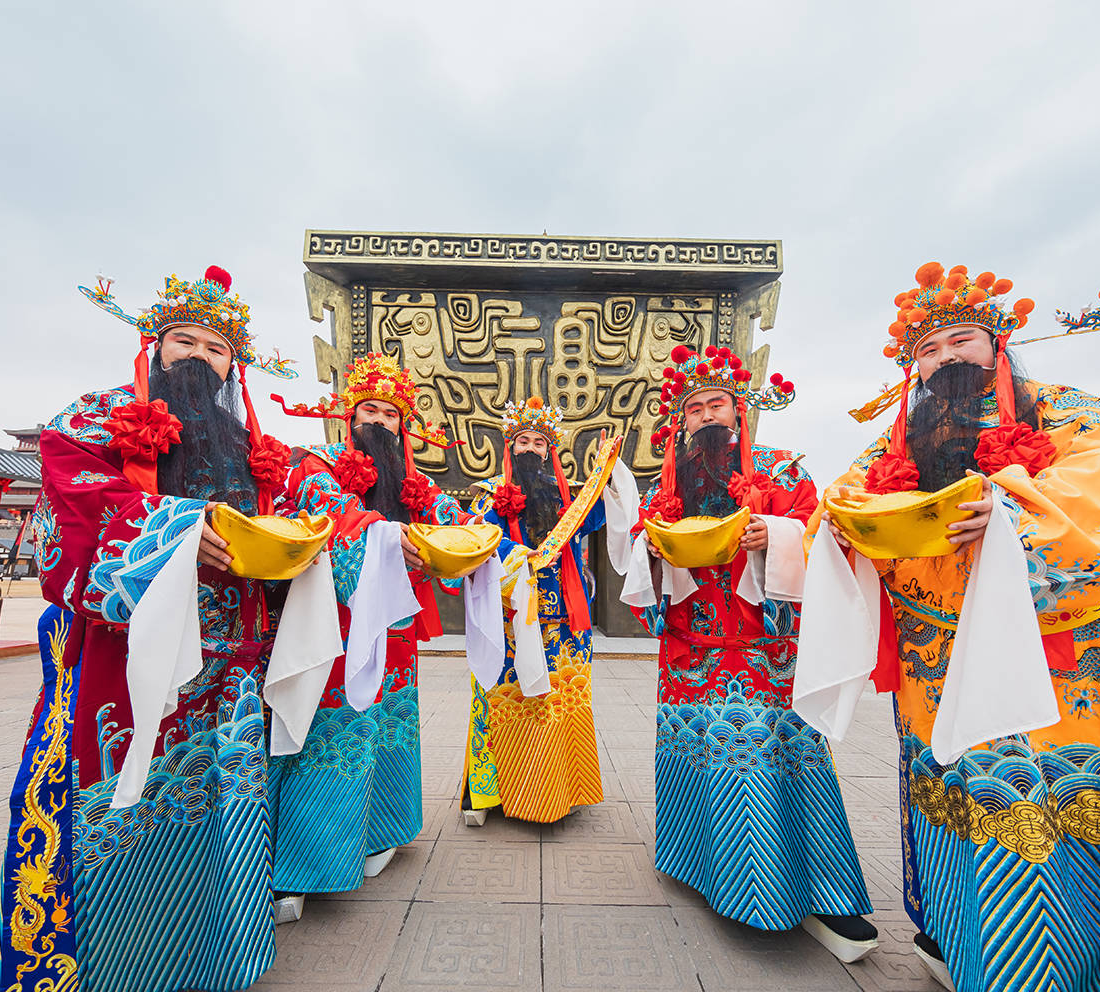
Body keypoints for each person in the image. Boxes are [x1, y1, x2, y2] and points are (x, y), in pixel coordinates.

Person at [807, 262, 1100, 991]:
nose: (945, 358)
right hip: (938, 663)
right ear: (911, 367)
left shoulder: (1078, 415)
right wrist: (843, 530)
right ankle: (976, 952)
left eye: (960, 340)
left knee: (1086, 810)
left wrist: (1005, 515)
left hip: (1072, 667)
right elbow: (845, 497)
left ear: (999, 344)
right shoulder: (898, 444)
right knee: (971, 807)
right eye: (929, 350)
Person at [0, 266, 332, 992]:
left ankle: (213, 957)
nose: (199, 357)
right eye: (185, 340)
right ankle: (111, 966)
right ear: (154, 345)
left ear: (233, 364)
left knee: (223, 799)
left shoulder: (249, 444)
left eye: (217, 347)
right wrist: (176, 528)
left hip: (230, 666)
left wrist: (302, 539)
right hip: (123, 661)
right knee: (115, 799)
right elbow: (74, 511)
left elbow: (295, 515)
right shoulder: (92, 419)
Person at [621, 343, 877, 961]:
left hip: (765, 651)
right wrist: (650, 551)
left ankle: (814, 891)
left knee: (778, 759)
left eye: (717, 405)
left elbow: (822, 533)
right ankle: (701, 867)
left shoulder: (783, 470)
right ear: (679, 422)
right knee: (698, 755)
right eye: (694, 409)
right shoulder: (667, 484)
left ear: (738, 413)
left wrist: (777, 537)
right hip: (690, 657)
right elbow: (638, 552)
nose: (706, 416)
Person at [266, 353, 481, 918]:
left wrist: (469, 537)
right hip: (330, 626)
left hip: (394, 627)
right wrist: (391, 537)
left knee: (389, 723)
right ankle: (305, 863)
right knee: (330, 732)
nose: (380, 422)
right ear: (349, 418)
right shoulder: (317, 464)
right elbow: (325, 513)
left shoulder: (415, 484)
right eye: (369, 411)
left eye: (391, 414)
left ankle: (383, 831)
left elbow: (455, 522)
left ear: (403, 425)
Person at [459, 397, 609, 825]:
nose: (529, 448)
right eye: (521, 440)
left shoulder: (567, 498)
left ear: (549, 451)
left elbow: (599, 516)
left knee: (558, 699)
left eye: (538, 442)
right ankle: (489, 794)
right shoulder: (489, 495)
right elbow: (476, 539)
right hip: (510, 615)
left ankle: (562, 787)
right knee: (501, 696)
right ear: (510, 447)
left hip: (566, 621)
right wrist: (514, 553)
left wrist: (605, 472)